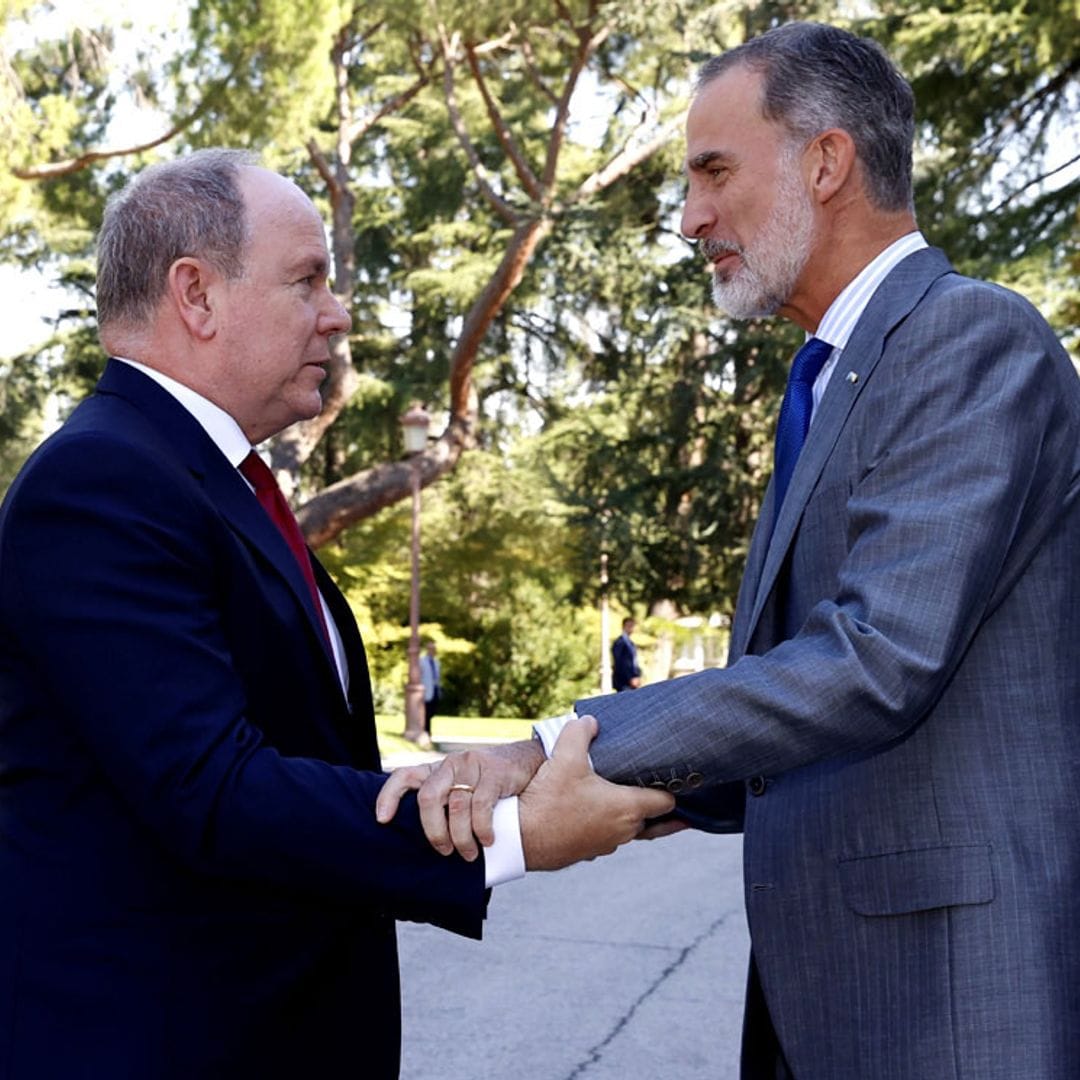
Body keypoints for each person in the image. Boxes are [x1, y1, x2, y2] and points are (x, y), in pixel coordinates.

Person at [382, 22, 1080, 1080]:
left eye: (713, 172)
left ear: (827, 161)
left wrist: (559, 746)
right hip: (825, 998)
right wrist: (616, 797)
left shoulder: (967, 337)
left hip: (945, 1003)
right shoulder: (831, 375)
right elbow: (792, 706)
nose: (689, 217)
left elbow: (875, 661)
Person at [0, 149, 673, 1080]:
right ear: (195, 295)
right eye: (308, 280)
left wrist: (491, 778)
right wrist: (513, 836)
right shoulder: (99, 481)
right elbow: (214, 789)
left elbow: (305, 752)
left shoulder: (206, 480)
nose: (339, 312)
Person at [611, 617, 642, 691]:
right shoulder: (620, 642)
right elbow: (620, 663)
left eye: (632, 626)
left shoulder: (630, 643)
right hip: (623, 681)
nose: (631, 628)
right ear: (623, 627)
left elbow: (633, 662)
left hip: (631, 681)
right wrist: (630, 678)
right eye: (628, 626)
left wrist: (637, 675)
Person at [420, 640, 441, 738]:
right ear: (427, 650)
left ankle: (427, 731)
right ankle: (426, 732)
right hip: (426, 691)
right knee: (426, 713)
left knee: (432, 712)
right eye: (431, 649)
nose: (433, 651)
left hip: (435, 690)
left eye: (434, 649)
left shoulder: (437, 662)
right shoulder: (422, 661)